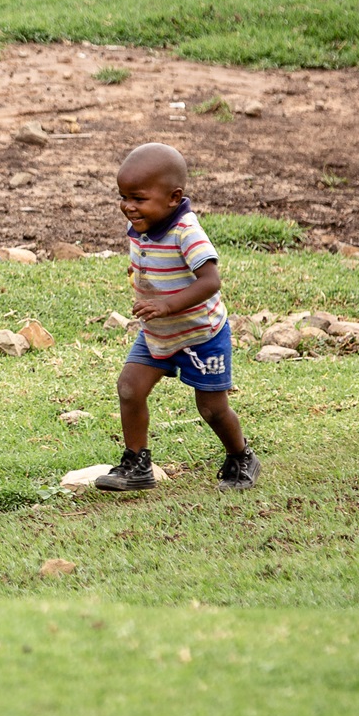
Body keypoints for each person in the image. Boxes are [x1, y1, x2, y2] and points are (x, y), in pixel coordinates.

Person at [93, 142, 262, 492]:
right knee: (129, 388)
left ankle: (241, 457)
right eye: (123, 196)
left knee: (213, 409)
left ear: (173, 197)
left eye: (138, 198)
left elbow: (211, 280)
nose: (128, 206)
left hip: (201, 334)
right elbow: (154, 258)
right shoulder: (142, 225)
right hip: (159, 332)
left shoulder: (187, 231)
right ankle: (137, 464)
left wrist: (167, 304)